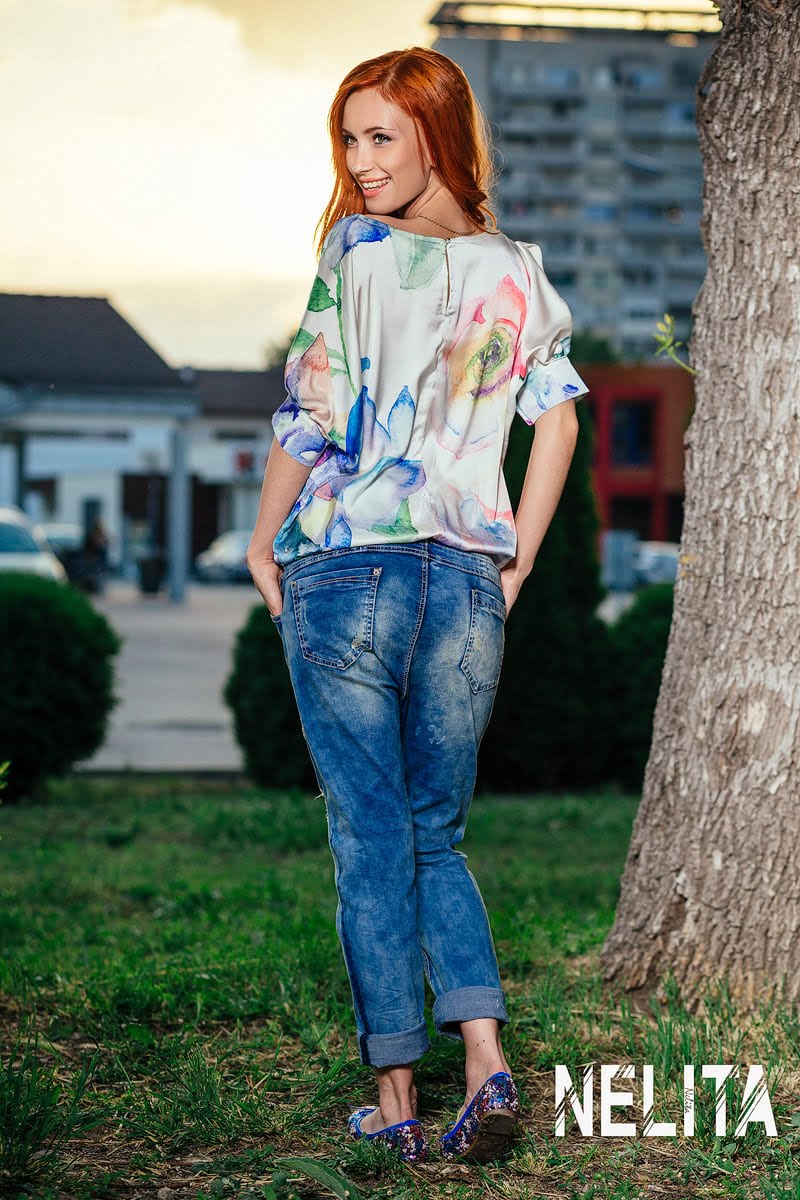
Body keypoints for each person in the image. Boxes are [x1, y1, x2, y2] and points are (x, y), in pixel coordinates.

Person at [247, 46, 588, 1165]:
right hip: (465, 580)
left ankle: (396, 1102)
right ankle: (486, 1064)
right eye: (349, 138)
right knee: (436, 832)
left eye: (381, 136)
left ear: (438, 135)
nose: (359, 161)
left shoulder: (356, 251)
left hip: (349, 566)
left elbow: (312, 410)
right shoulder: (517, 270)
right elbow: (558, 422)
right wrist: (515, 560)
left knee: (372, 836)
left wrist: (261, 539)